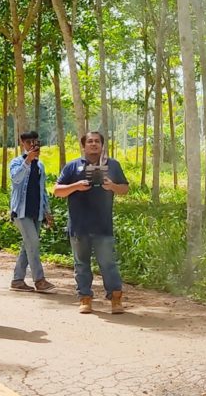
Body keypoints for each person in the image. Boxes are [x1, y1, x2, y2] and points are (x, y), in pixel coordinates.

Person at [53, 131, 129, 315]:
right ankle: (85, 299)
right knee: (81, 264)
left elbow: (125, 189)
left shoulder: (112, 165)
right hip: (79, 225)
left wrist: (112, 186)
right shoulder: (72, 167)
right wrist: (76, 186)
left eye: (97, 141)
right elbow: (57, 190)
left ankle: (116, 299)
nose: (93, 144)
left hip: (103, 225)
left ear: (102, 146)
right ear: (83, 145)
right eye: (90, 141)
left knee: (108, 263)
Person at [8, 131, 56, 293]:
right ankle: (39, 280)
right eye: (29, 143)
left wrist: (47, 211)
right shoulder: (16, 162)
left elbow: (42, 190)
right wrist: (27, 160)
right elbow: (16, 179)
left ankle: (17, 280)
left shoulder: (40, 166)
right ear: (23, 144)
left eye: (36, 142)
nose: (33, 145)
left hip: (36, 212)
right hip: (20, 212)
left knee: (28, 245)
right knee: (33, 243)